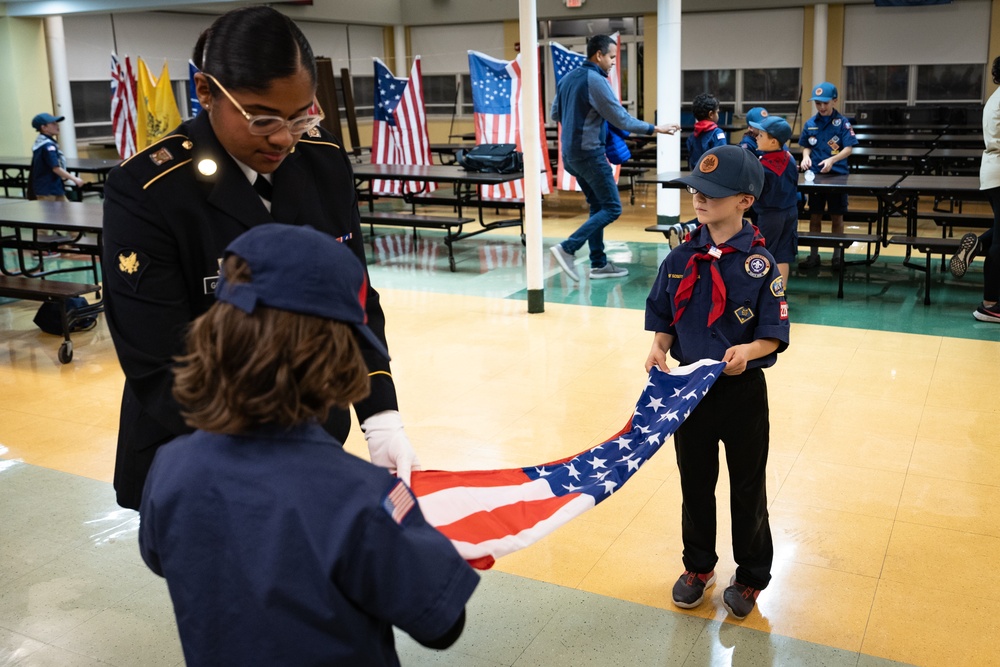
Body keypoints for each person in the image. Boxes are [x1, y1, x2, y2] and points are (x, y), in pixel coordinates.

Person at [102, 5, 419, 511]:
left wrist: (381, 417)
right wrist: (275, 461)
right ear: (206, 92)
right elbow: (159, 361)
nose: (283, 138)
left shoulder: (323, 163)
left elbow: (354, 300)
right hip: (199, 448)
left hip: (314, 434)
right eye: (262, 117)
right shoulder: (149, 190)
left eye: (301, 116)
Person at [139, 224, 479, 666]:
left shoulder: (170, 465)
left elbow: (161, 558)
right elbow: (442, 625)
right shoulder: (361, 497)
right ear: (336, 355)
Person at [644, 145, 789, 621]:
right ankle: (698, 567)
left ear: (745, 200)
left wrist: (748, 352)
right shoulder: (681, 257)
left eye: (712, 193)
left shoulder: (759, 264)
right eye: (695, 189)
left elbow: (772, 334)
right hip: (689, 392)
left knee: (747, 487)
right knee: (695, 480)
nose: (699, 199)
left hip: (740, 391)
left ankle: (749, 576)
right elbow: (666, 312)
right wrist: (659, 346)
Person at [549, 34, 679, 282]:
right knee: (611, 207)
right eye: (610, 57)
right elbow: (621, 119)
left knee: (597, 206)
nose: (612, 62)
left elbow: (556, 112)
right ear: (598, 55)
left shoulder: (567, 78)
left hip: (571, 155)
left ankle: (598, 264)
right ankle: (568, 247)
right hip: (590, 155)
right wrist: (656, 129)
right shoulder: (595, 80)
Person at [954, 55, 1000, 322]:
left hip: (991, 170)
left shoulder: (994, 97)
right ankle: (991, 304)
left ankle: (976, 246)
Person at [797, 82, 857, 270]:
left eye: (825, 103)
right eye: (818, 103)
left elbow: (848, 148)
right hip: (816, 178)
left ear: (834, 101)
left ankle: (837, 257)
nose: (822, 107)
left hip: (837, 177)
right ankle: (814, 256)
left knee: (836, 217)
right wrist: (806, 157)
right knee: (815, 217)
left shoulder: (843, 123)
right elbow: (806, 145)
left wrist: (833, 160)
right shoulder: (811, 123)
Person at [749, 115, 798, 286]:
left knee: (764, 254)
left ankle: (764, 296)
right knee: (782, 255)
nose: (756, 137)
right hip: (790, 212)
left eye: (761, 135)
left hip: (771, 217)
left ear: (773, 142)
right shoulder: (789, 157)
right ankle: (780, 295)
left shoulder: (763, 167)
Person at [29, 112, 84, 200]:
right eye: (53, 124)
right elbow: (55, 168)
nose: (57, 126)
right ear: (44, 128)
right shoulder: (47, 146)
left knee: (66, 212)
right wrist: (74, 179)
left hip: (54, 187)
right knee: (52, 213)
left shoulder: (42, 142)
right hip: (47, 189)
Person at [686, 93, 728, 171]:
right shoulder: (717, 133)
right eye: (717, 112)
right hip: (712, 177)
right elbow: (723, 156)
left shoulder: (692, 136)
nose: (718, 115)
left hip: (696, 175)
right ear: (711, 114)